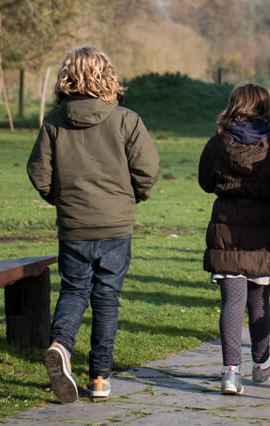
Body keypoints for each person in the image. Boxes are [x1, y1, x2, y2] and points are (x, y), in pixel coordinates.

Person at [28, 47, 160, 403]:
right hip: (116, 225)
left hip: (74, 225)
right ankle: (100, 378)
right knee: (106, 298)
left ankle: (61, 345)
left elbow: (39, 173)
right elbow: (147, 171)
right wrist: (133, 197)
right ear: (109, 77)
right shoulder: (127, 119)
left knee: (73, 290)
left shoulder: (54, 122)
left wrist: (61, 199)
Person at [198, 84, 270, 395]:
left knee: (232, 302)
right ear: (265, 107)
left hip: (226, 230)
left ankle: (231, 371)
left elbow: (206, 182)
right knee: (258, 303)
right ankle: (260, 363)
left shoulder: (217, 143)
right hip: (264, 235)